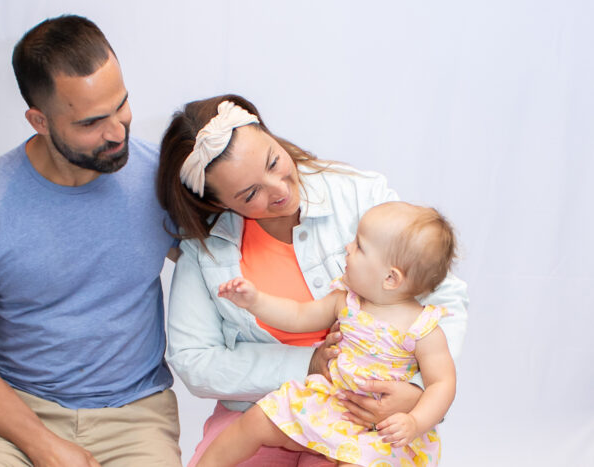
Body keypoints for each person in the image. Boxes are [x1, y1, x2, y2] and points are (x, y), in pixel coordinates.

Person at [0, 15, 181, 466]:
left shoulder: (161, 181)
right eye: (92, 122)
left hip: (135, 415)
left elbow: (234, 259)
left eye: (121, 105)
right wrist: (45, 447)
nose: (117, 131)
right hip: (13, 416)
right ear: (39, 121)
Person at [157, 94, 469, 466]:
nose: (280, 190)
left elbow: (439, 296)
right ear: (218, 202)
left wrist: (414, 395)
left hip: (368, 412)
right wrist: (308, 362)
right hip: (278, 399)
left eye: (274, 161)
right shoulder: (207, 248)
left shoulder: (358, 193)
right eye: (250, 193)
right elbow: (196, 359)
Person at [198, 201, 457, 466]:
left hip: (376, 428)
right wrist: (255, 301)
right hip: (329, 402)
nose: (347, 247)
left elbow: (442, 384)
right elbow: (297, 315)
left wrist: (415, 421)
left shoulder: (423, 329)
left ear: (390, 278)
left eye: (359, 246)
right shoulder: (346, 301)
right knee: (256, 420)